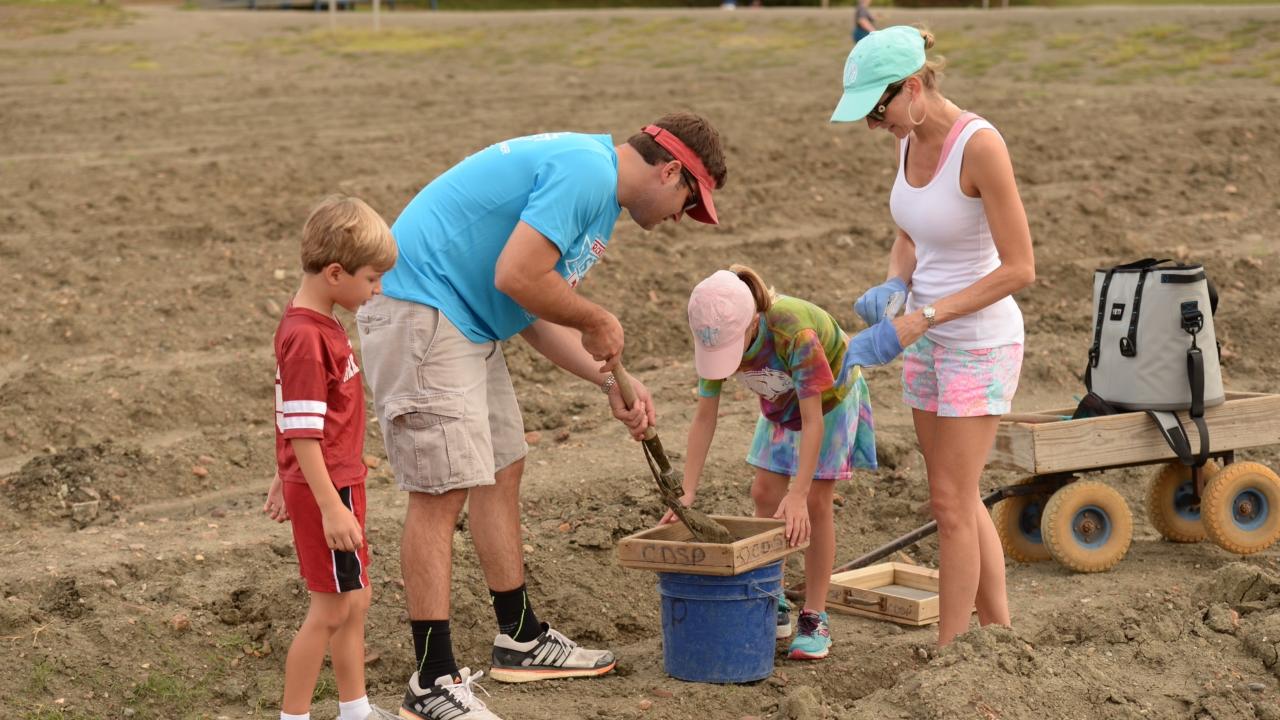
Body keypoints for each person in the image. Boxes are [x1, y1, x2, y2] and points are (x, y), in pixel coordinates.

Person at [356, 114, 727, 720]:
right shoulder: (586, 173)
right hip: (423, 310)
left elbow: (529, 305)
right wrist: (598, 318)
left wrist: (608, 378)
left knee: (504, 466)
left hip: (467, 319)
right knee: (440, 492)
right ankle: (431, 680)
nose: (678, 220)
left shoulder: (598, 196)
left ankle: (520, 636)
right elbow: (518, 276)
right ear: (670, 171)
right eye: (690, 201)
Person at [830, 26, 1036, 647]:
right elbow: (911, 234)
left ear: (913, 88)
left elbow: (1020, 267)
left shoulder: (980, 146)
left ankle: (949, 651)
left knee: (948, 504)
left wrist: (927, 314)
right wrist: (896, 285)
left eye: (877, 109)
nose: (874, 125)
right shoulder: (906, 139)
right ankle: (997, 633)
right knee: (957, 495)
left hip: (978, 342)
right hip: (923, 337)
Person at [660, 265, 879, 662]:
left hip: (828, 403)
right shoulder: (716, 334)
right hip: (781, 405)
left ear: (752, 323)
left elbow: (813, 421)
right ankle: (771, 595)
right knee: (763, 492)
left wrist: (798, 492)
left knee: (813, 503)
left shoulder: (793, 332)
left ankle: (814, 615)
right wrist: (687, 491)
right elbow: (704, 415)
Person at [262, 195, 399, 720]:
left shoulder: (321, 324)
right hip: (329, 491)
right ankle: (293, 715)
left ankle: (356, 709)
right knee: (330, 608)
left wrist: (285, 473)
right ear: (336, 272)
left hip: (338, 482)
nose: (377, 289)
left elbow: (299, 418)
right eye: (371, 279)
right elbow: (301, 432)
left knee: (356, 600)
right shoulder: (305, 337)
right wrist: (329, 505)